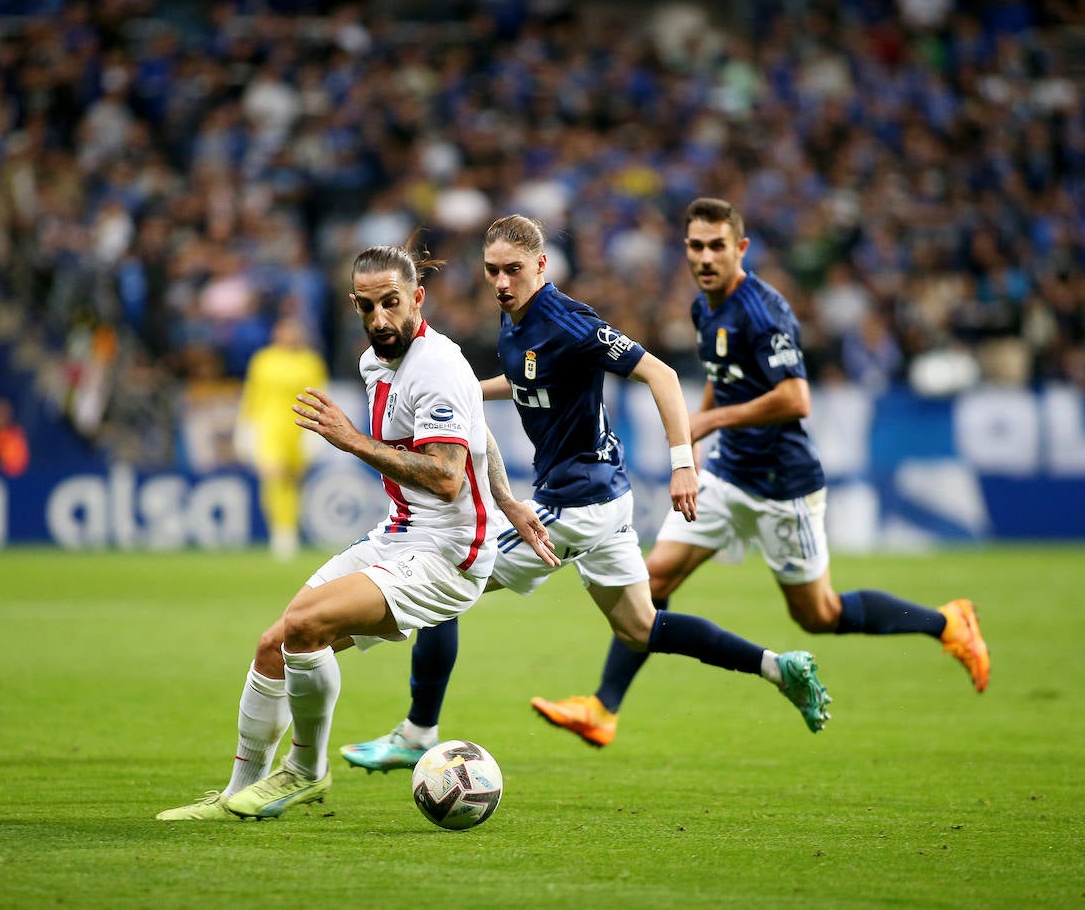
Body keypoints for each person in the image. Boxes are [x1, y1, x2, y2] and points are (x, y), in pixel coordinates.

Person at [339, 214, 832, 773]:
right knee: (641, 627)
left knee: (448, 574)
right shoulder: (514, 319)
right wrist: (466, 390)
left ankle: (417, 732)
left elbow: (664, 376)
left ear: (542, 266)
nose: (502, 282)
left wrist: (683, 464)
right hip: (601, 497)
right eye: (493, 270)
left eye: (515, 270)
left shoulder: (568, 320)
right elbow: (529, 377)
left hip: (578, 502)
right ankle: (778, 667)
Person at [530, 197, 990, 748]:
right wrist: (691, 439)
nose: (705, 257)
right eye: (696, 247)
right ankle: (603, 708)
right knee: (654, 581)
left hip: (782, 485)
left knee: (819, 613)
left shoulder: (763, 309)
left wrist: (713, 419)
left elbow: (797, 398)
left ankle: (948, 622)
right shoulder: (704, 308)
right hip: (727, 474)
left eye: (717, 246)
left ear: (739, 248)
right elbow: (720, 377)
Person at [155, 243, 549, 822]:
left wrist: (350, 441)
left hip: (449, 555)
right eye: (368, 307)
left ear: (417, 297)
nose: (381, 319)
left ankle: (305, 772)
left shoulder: (437, 365)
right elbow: (479, 429)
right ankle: (236, 794)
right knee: (275, 644)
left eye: (392, 303)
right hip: (399, 534)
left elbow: (443, 477)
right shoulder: (373, 362)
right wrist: (508, 498)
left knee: (306, 626)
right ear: (354, 305)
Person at [235, 315, 329, 559]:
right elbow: (252, 394)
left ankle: (289, 527)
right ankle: (281, 532)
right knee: (273, 476)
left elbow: (320, 396)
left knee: (293, 480)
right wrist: (245, 427)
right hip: (269, 426)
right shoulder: (263, 360)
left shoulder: (311, 361)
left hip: (300, 428)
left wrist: (319, 431)